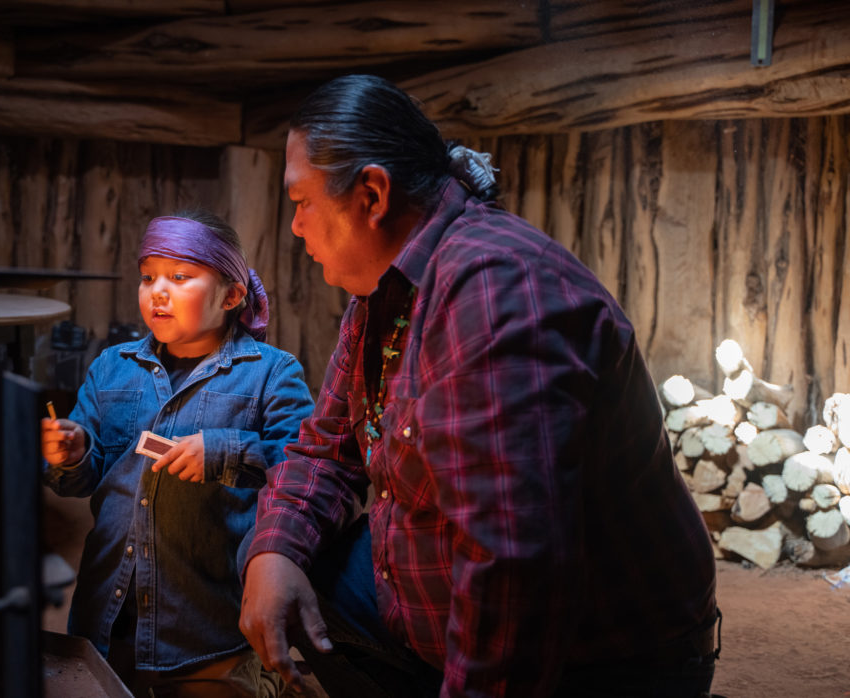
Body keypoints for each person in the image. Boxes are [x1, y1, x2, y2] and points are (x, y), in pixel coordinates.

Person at [238, 74, 720, 697]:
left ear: (372, 194)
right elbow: (327, 447)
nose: (296, 227)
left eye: (302, 202)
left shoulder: (493, 294)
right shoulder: (386, 291)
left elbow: (515, 574)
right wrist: (273, 552)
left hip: (599, 657)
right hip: (443, 581)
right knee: (270, 562)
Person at [42, 211, 315, 698]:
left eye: (180, 277)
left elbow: (304, 467)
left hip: (206, 630)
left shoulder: (272, 373)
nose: (157, 292)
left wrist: (226, 450)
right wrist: (73, 453)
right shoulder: (113, 367)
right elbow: (82, 480)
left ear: (231, 296)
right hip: (107, 618)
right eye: (148, 277)